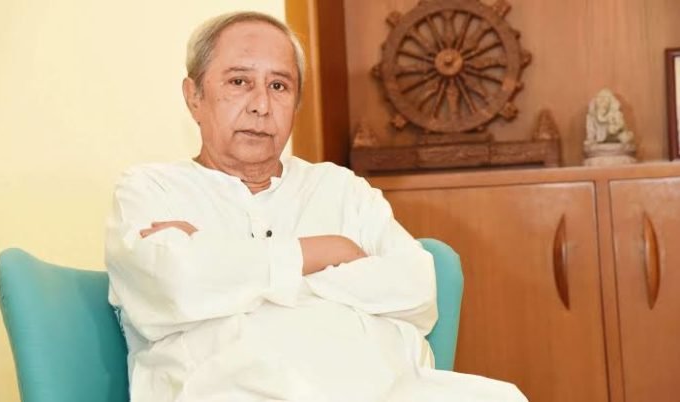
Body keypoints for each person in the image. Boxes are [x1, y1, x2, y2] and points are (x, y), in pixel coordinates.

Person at [105, 11, 527, 402]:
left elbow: (415, 288)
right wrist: (328, 253)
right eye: (238, 82)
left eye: (279, 86)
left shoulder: (339, 188)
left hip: (381, 388)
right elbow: (175, 283)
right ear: (194, 96)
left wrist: (230, 272)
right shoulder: (150, 190)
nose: (261, 105)